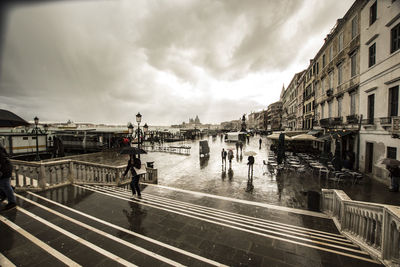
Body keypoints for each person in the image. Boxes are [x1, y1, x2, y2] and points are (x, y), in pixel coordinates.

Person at [0, 146, 17, 211]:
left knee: (5, 184)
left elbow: (2, 161)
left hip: (5, 169)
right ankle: (4, 193)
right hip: (6, 168)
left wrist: (1, 171)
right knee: (4, 184)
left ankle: (12, 202)